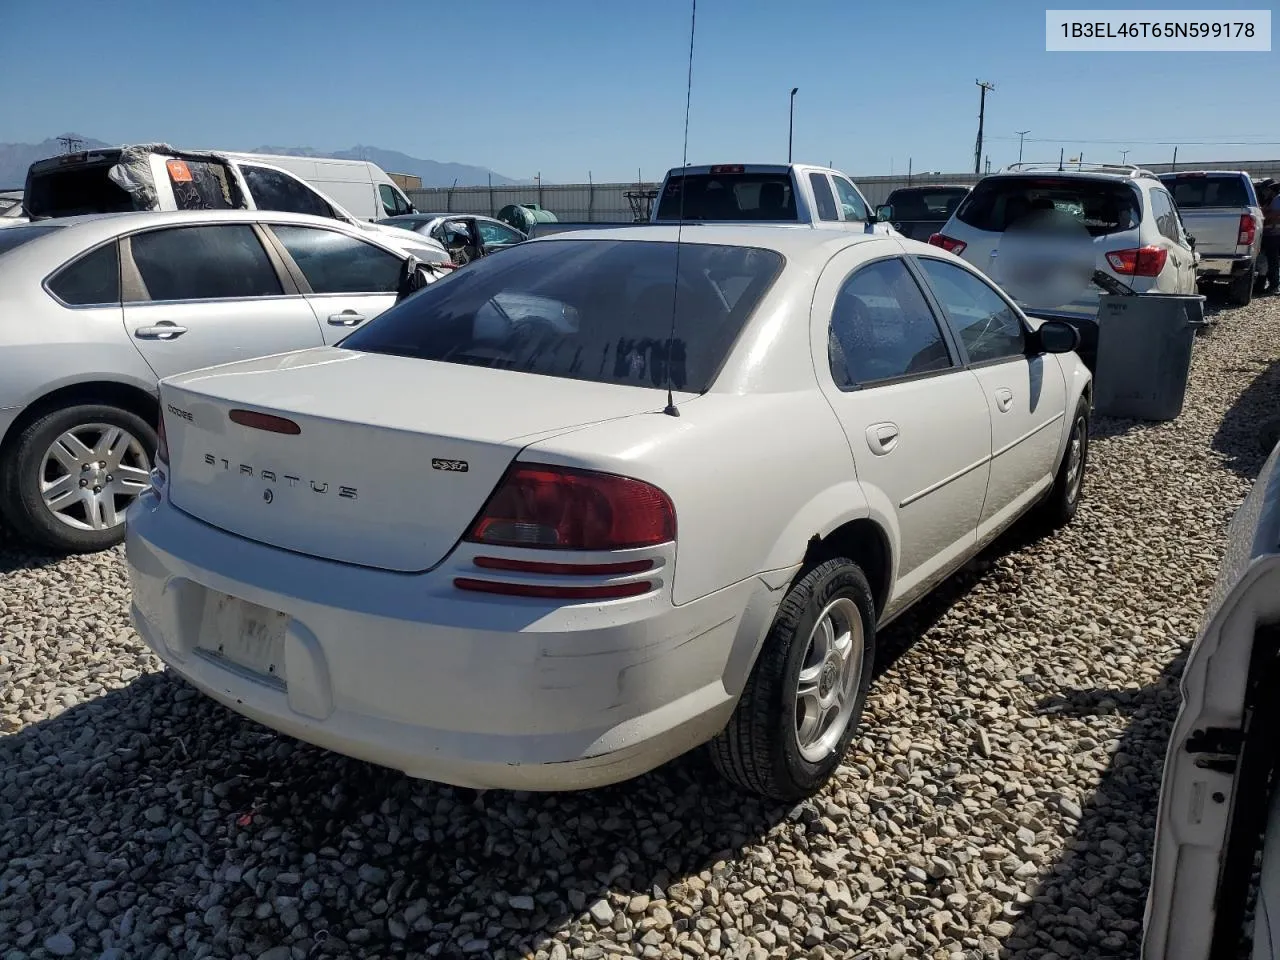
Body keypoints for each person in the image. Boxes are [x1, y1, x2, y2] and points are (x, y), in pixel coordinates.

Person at [1261, 180, 1280, 294]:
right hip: (1272, 235)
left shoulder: (1277, 199)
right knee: (1273, 261)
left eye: (1265, 190)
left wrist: (1263, 215)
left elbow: (1275, 215)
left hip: (1274, 235)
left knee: (1273, 261)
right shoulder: (1271, 200)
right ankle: (1273, 285)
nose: (1264, 193)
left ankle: (1274, 286)